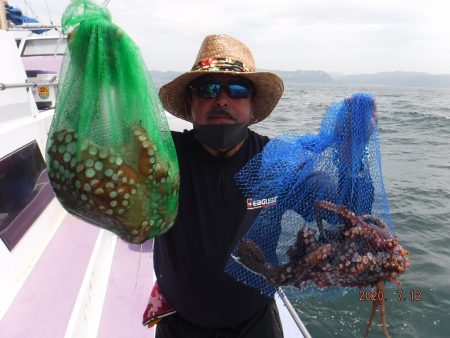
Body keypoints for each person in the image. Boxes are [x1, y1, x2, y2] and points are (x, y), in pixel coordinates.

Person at [148, 34, 285, 338]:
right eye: (208, 89)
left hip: (255, 323)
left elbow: (338, 206)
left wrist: (350, 161)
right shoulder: (163, 155)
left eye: (237, 90)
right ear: (190, 103)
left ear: (252, 107)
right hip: (178, 323)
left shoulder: (277, 160)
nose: (222, 99)